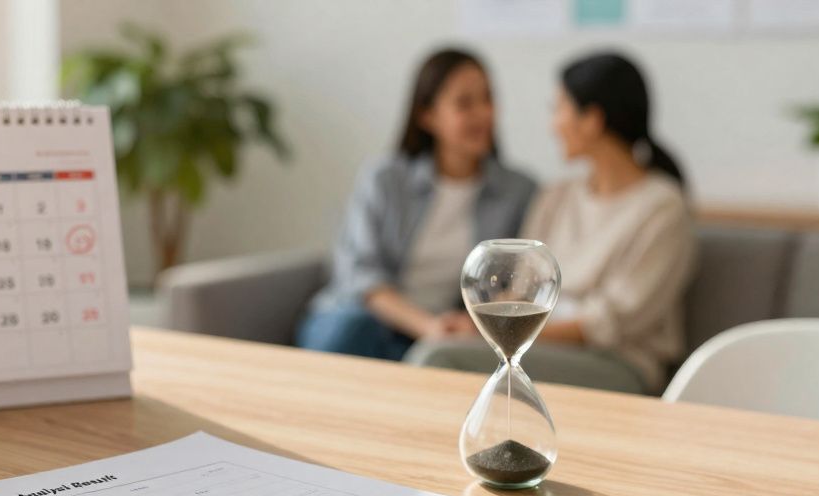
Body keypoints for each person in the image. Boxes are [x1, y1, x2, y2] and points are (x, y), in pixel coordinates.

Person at [414, 51, 697, 394]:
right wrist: (479, 324)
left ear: (591, 119)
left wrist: (492, 331)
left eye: (559, 109)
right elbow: (520, 287)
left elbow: (609, 324)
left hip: (618, 363)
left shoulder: (662, 206)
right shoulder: (557, 195)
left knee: (438, 358)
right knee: (434, 349)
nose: (553, 124)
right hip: (535, 344)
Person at [298, 48, 537, 361]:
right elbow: (360, 273)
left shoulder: (519, 191)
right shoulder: (385, 179)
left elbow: (521, 280)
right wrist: (426, 326)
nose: (483, 113)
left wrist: (465, 327)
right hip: (365, 319)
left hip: (445, 334)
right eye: (465, 103)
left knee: (443, 359)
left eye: (488, 99)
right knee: (354, 331)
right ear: (427, 115)